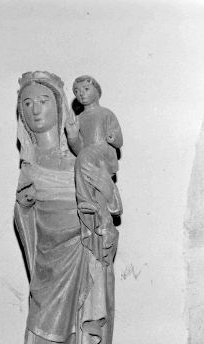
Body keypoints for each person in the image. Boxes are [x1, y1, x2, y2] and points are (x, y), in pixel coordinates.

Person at [5, 71, 122, 344]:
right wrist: (25, 207)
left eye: (43, 101)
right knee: (41, 327)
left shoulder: (81, 157)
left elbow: (108, 204)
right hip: (47, 263)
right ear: (21, 115)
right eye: (26, 103)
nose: (35, 109)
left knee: (82, 326)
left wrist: (99, 219)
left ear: (59, 108)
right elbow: (25, 219)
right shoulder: (28, 167)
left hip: (81, 252)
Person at [65, 75, 123, 265]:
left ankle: (86, 202)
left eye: (86, 89)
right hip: (89, 158)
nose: (81, 93)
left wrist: (113, 137)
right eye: (77, 91)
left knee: (86, 160)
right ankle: (103, 225)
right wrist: (73, 136)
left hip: (103, 156)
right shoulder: (80, 118)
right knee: (98, 195)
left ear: (97, 91)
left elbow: (119, 140)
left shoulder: (106, 114)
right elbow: (80, 150)